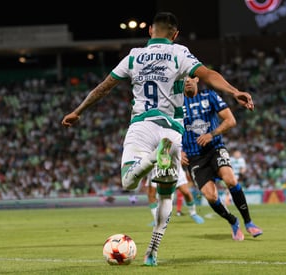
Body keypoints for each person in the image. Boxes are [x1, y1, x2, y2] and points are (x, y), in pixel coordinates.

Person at [61, 12, 254, 266]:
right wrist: (234, 90)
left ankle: (152, 158)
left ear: (150, 30)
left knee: (129, 182)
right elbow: (207, 74)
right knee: (166, 196)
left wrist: (78, 111)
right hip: (172, 132)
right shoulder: (180, 53)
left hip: (141, 125)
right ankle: (152, 252)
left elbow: (104, 87)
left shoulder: (133, 56)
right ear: (175, 34)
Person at [181, 76, 262, 241]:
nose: (187, 81)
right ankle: (233, 221)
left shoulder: (209, 96)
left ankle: (249, 223)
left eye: (190, 77)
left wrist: (212, 134)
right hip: (193, 156)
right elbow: (167, 129)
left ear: (196, 79)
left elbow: (230, 120)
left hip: (215, 148)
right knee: (210, 196)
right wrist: (176, 151)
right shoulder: (175, 103)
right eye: (183, 78)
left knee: (230, 179)